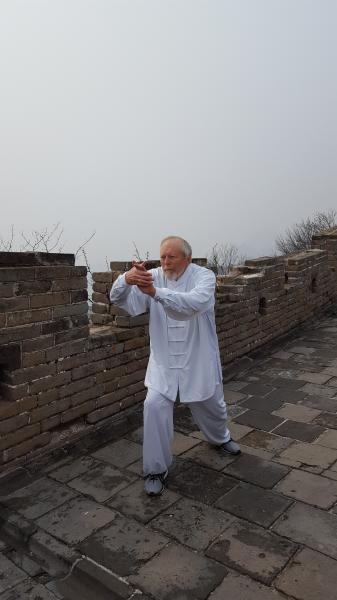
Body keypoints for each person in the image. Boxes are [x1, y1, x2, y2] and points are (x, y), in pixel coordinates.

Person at [110, 236, 240, 496]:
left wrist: (155, 293)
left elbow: (191, 306)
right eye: (162, 257)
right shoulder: (153, 277)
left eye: (171, 257)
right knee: (153, 406)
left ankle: (220, 438)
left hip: (198, 358)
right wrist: (127, 279)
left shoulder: (204, 277)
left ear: (187, 258)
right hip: (164, 362)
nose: (165, 262)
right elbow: (122, 301)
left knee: (211, 404)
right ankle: (155, 469)